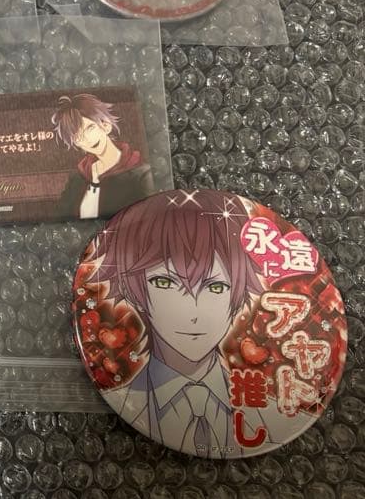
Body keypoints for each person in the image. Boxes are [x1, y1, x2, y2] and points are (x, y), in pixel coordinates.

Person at [88, 190, 300, 456]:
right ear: (134, 291)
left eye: (216, 287)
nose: (193, 313)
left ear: (238, 294)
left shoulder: (276, 415)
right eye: (164, 282)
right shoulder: (122, 402)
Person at [52, 93, 153, 219]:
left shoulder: (141, 174)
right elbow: (62, 218)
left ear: (105, 125)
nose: (87, 140)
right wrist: (94, 184)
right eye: (78, 137)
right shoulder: (77, 178)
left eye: (90, 128)